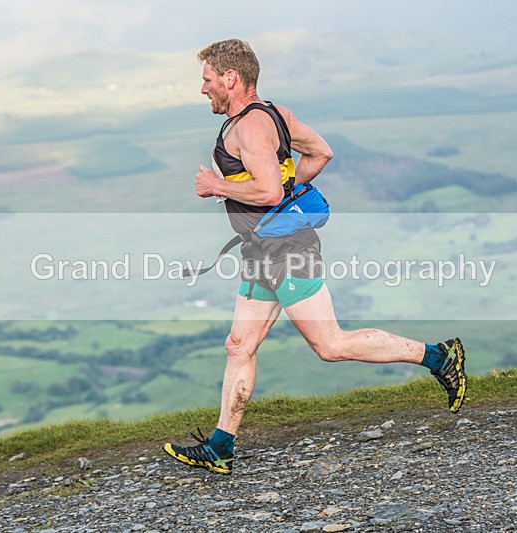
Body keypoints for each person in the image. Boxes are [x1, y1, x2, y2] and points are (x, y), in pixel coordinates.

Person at [163, 38, 467, 475]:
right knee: (239, 344)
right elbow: (321, 151)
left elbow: (267, 191)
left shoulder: (248, 128)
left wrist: (218, 186)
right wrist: (287, 197)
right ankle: (221, 447)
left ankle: (440, 357)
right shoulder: (276, 114)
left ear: (231, 78)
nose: (203, 89)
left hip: (289, 252)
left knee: (330, 345)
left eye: (207, 79)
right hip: (261, 251)